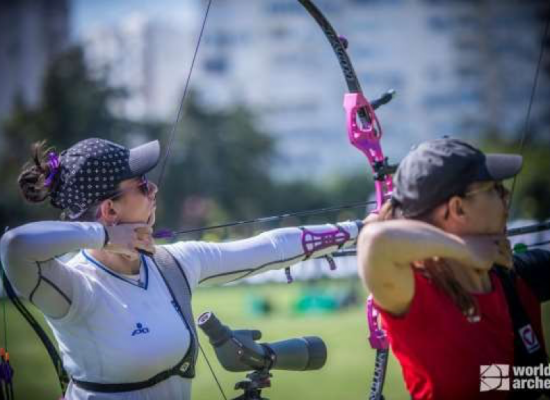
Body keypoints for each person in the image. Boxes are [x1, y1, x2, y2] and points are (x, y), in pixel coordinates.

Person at [0, 137, 363, 400]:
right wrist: (106, 237)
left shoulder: (170, 263)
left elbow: (269, 247)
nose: (154, 189)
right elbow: (14, 245)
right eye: (142, 185)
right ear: (110, 211)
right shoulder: (74, 288)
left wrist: (359, 230)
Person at [357, 137, 550, 400]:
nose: (507, 197)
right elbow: (374, 241)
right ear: (458, 208)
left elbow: (491, 380)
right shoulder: (417, 294)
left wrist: (541, 379)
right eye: (494, 189)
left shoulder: (512, 276)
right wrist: (465, 249)